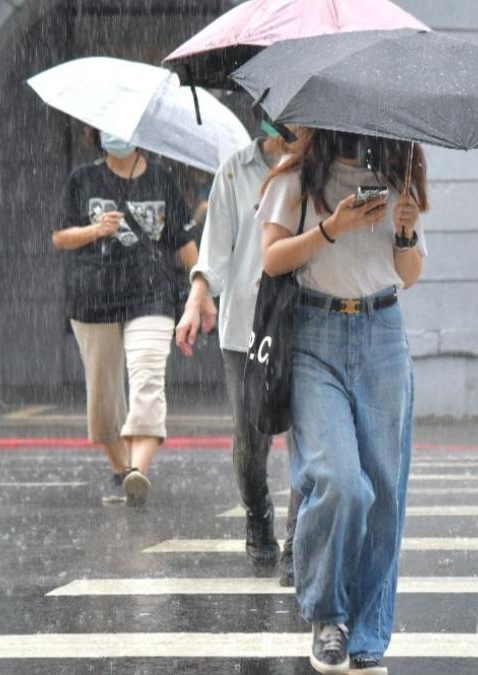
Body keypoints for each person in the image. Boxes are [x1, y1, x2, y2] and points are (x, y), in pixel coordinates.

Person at [258, 127, 425, 674]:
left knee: (383, 494)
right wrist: (331, 228)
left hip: (382, 333)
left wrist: (404, 232)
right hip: (315, 334)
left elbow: (410, 274)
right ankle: (327, 614)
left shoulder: (398, 175)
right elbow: (273, 259)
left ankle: (368, 635)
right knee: (339, 482)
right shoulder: (296, 178)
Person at [177, 123, 304, 581]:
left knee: (307, 439)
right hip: (247, 328)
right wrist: (198, 296)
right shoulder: (236, 170)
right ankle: (258, 516)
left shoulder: (321, 166)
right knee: (251, 443)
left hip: (306, 322)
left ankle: (298, 542)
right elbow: (214, 252)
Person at [52, 130, 201, 506]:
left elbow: (183, 243)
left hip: (151, 292)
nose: (117, 135)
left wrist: (204, 291)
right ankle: (121, 469)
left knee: (148, 374)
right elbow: (60, 237)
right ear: (97, 135)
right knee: (103, 401)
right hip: (93, 295)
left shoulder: (162, 179)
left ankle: (139, 470)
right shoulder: (82, 178)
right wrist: (95, 229)